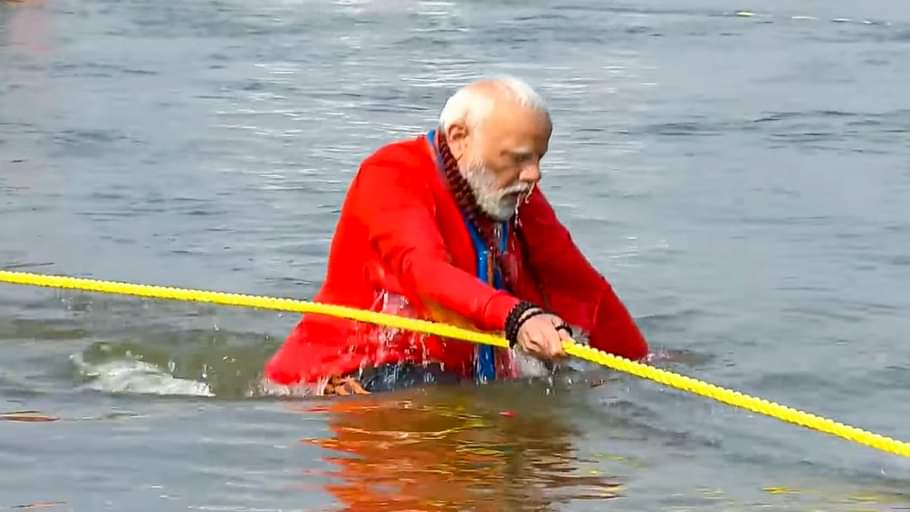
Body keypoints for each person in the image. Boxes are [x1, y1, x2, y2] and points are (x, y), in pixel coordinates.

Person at [264, 77, 649, 395]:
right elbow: (425, 270)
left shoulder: (512, 190)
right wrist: (518, 316)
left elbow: (579, 284)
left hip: (455, 375)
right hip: (355, 376)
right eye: (517, 158)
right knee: (457, 407)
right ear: (459, 137)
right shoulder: (392, 174)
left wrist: (641, 367)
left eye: (538, 158)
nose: (533, 174)